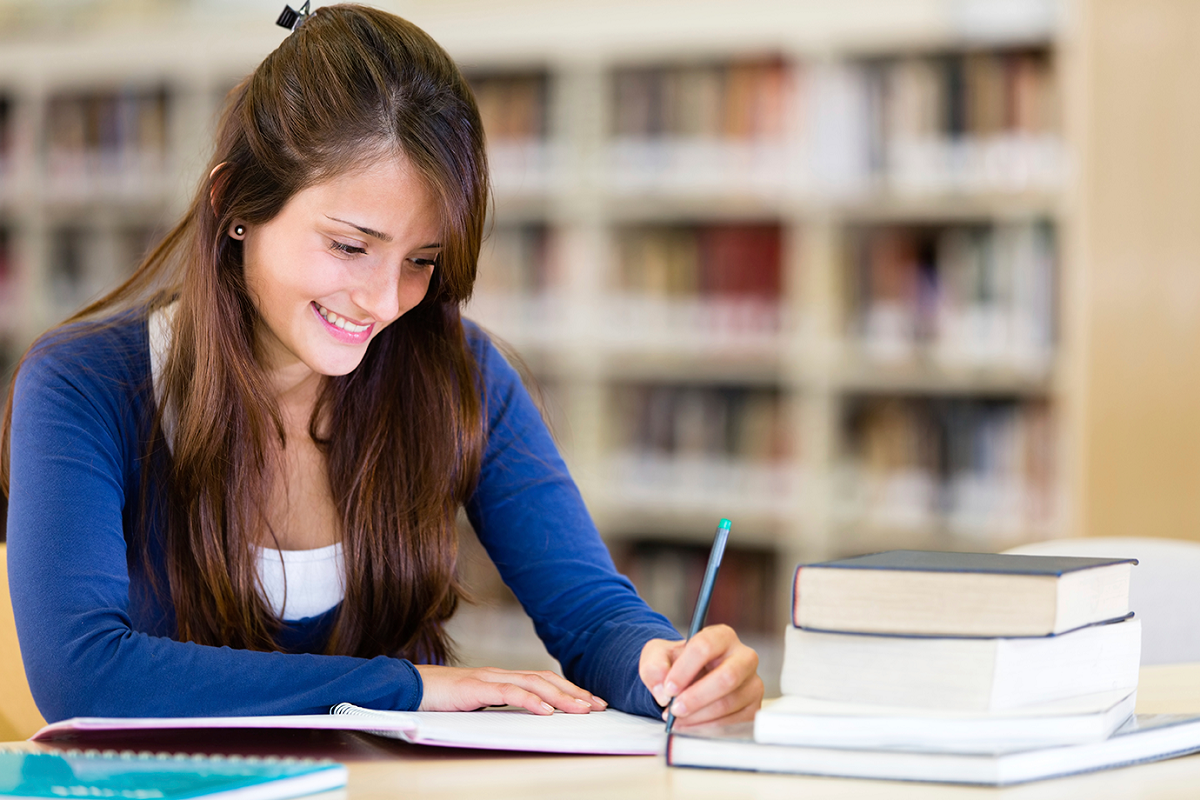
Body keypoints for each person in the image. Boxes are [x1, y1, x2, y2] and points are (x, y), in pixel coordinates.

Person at [2, 4, 762, 727]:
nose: (382, 300)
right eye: (350, 245)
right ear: (235, 203)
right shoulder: (85, 386)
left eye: (421, 260)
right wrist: (409, 689)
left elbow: (594, 616)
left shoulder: (459, 373)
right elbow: (85, 674)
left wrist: (664, 668)